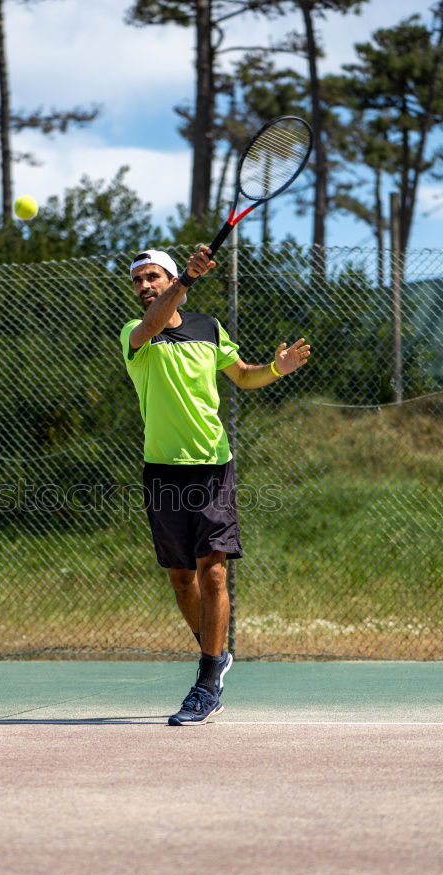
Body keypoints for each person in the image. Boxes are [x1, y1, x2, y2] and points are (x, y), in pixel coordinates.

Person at [120, 246, 311, 726]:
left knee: (215, 572)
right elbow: (154, 323)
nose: (145, 286)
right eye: (138, 281)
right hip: (163, 470)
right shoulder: (134, 334)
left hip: (212, 465)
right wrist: (183, 277)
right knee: (181, 579)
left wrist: (276, 370)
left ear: (166, 280)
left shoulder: (207, 328)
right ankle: (218, 653)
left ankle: (207, 681)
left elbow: (243, 376)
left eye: (152, 277)